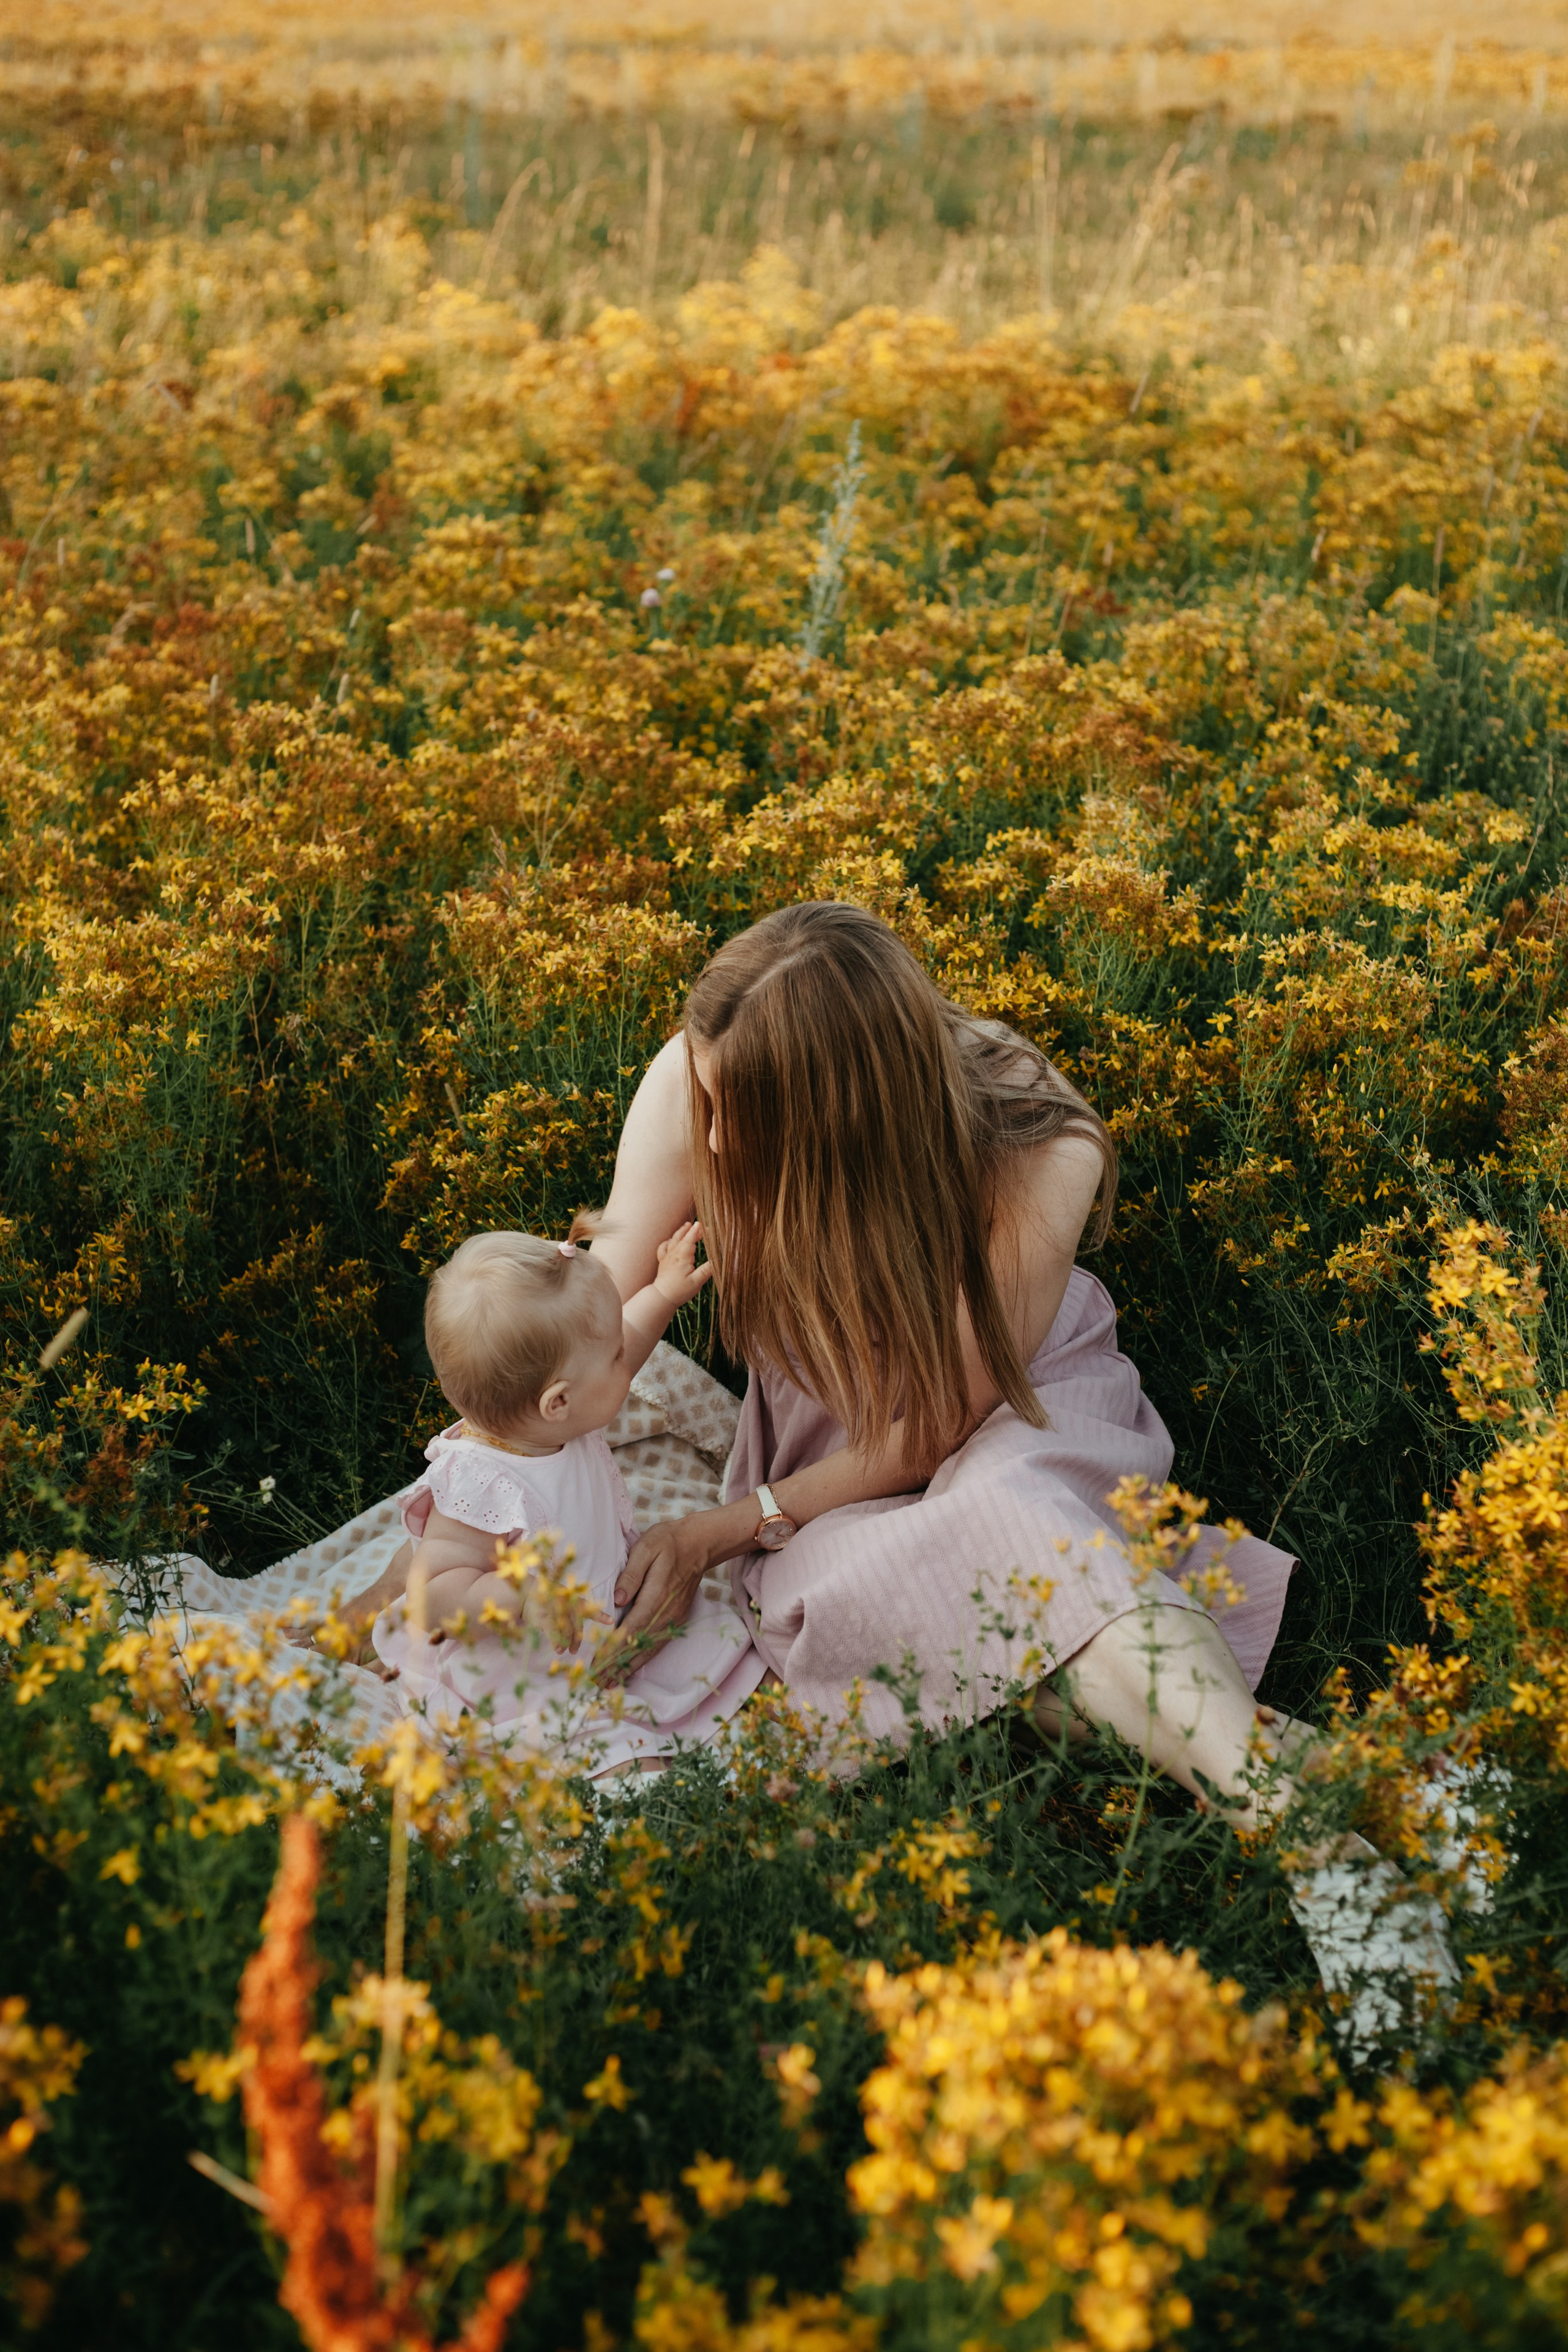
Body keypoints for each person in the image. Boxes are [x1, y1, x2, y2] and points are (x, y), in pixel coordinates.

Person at [585, 899, 1306, 1826]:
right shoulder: (703, 1071)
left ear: (844, 1113)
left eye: (741, 1115)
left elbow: (934, 1430)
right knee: (920, 1615)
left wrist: (718, 1530)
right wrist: (486, 1470)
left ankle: (1317, 1853)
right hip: (828, 1446)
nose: (714, 1140)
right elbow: (599, 1316)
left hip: (1016, 1404)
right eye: (710, 1104)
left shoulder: (1041, 1142)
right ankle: (1324, 1794)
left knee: (1018, 1528)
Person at [330, 1224, 762, 1772]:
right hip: (528, 1669)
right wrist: (520, 1595)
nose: (627, 1363)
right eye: (614, 1359)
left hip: (600, 1619)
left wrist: (665, 1292)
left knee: (726, 1658)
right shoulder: (482, 1481)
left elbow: (625, 1336)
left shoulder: (558, 1419)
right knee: (615, 1763)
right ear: (557, 1402)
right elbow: (431, 1588)